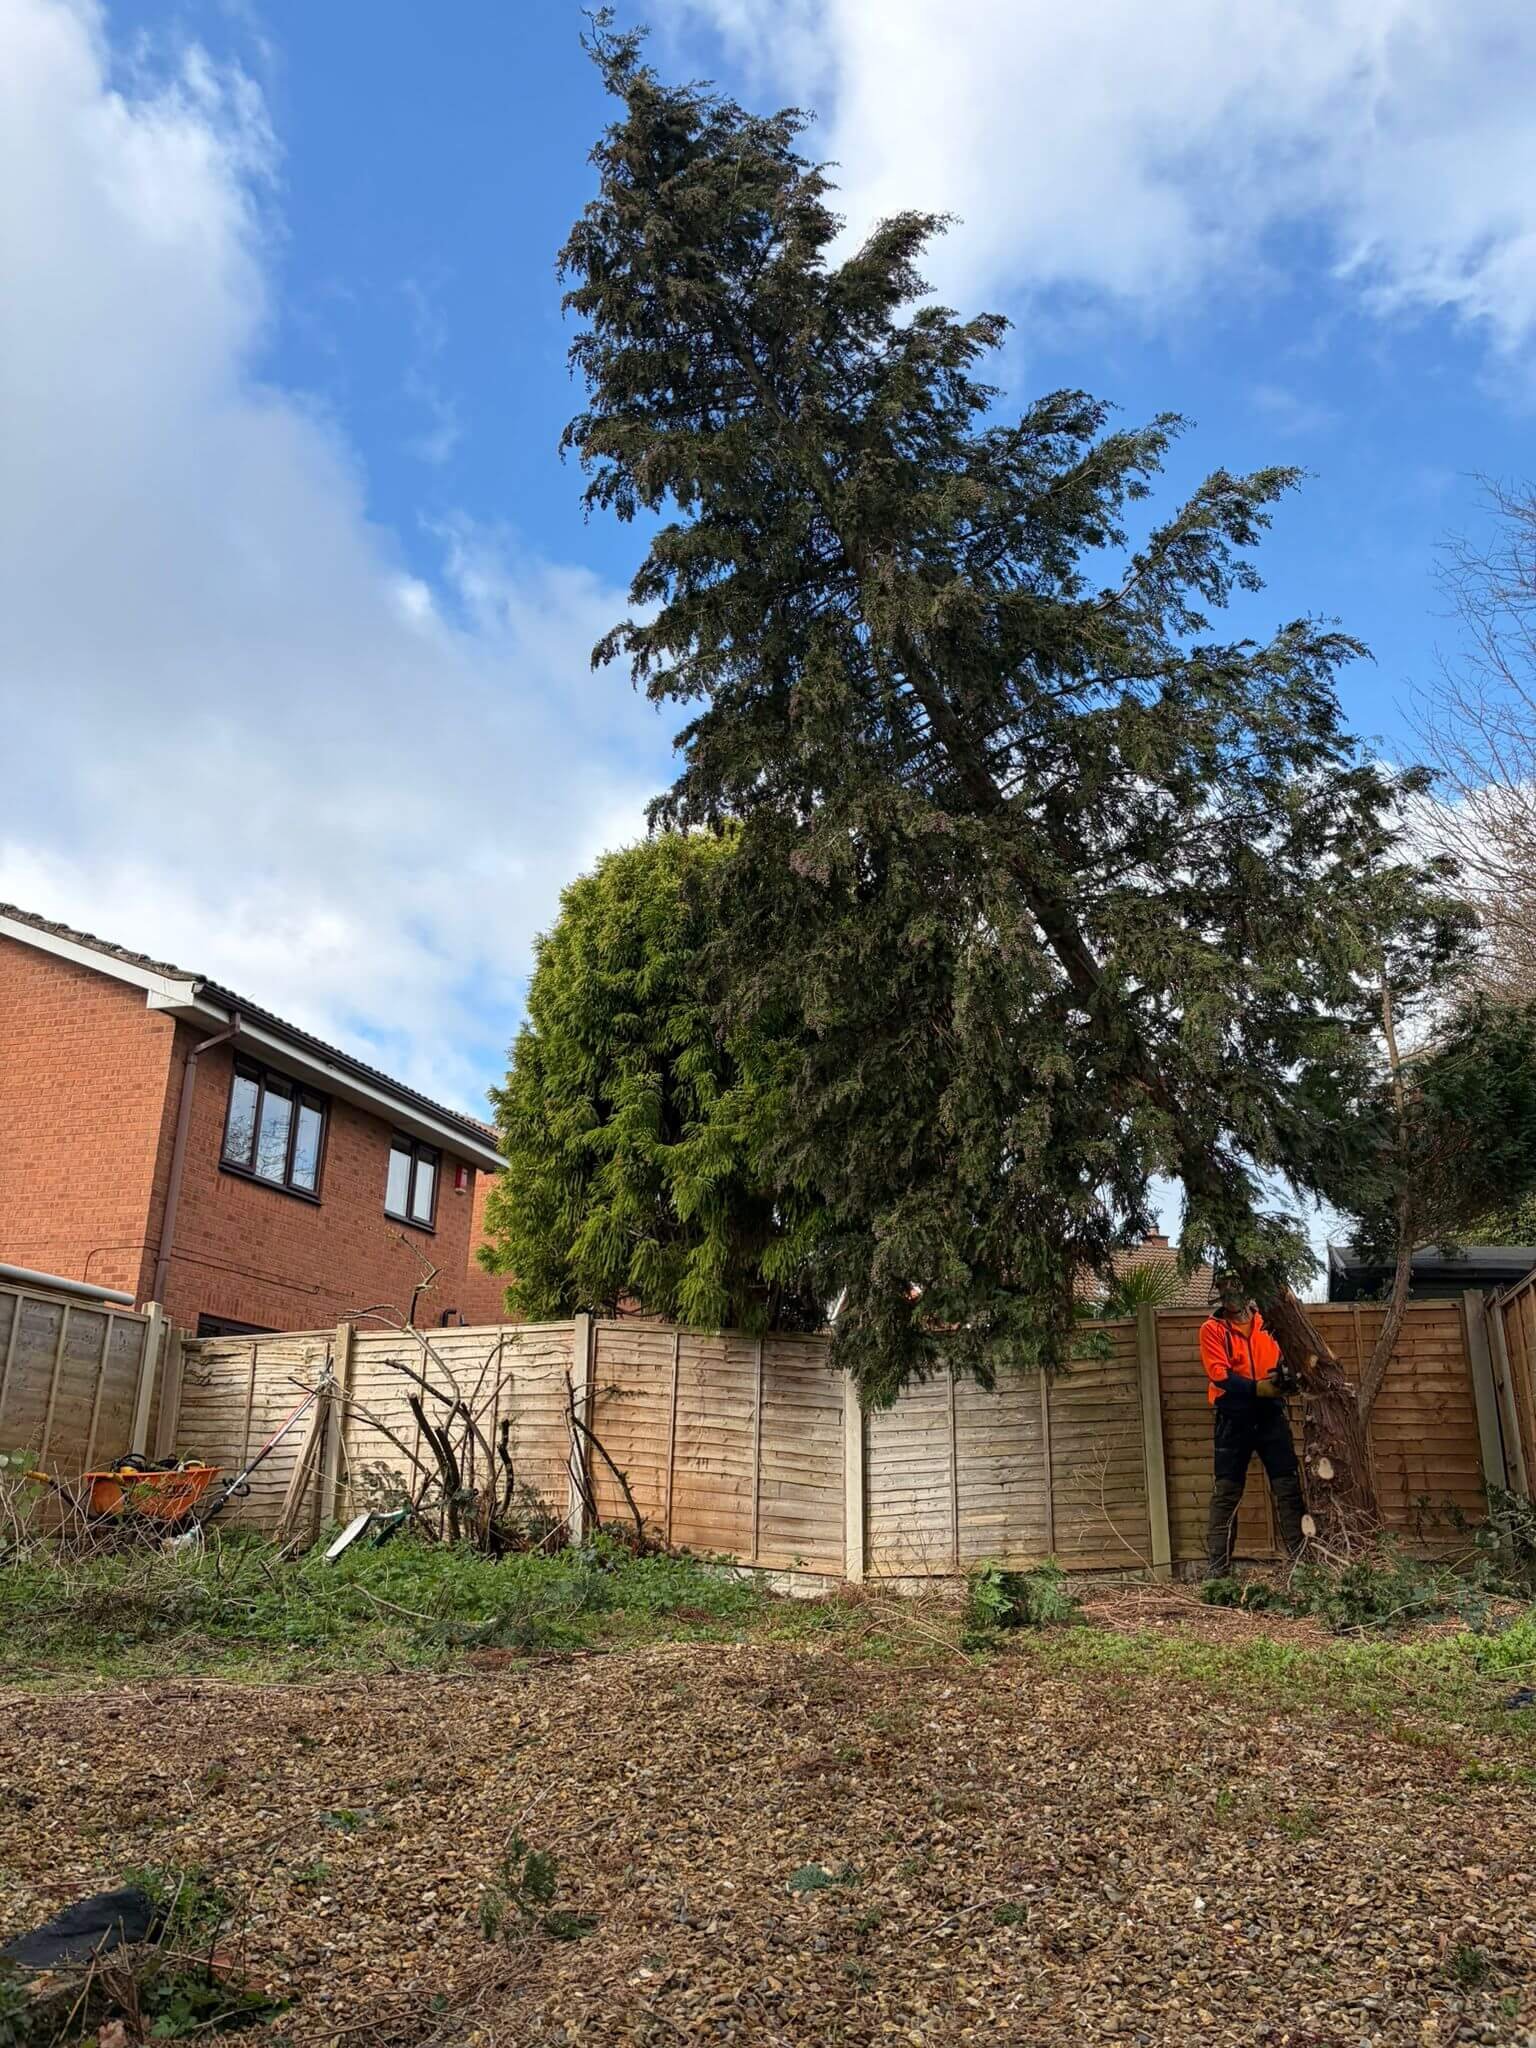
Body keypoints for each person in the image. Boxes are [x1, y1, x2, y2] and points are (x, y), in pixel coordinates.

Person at [1201, 1275, 1306, 1579]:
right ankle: (1218, 1573)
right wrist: (1258, 1388)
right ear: (1219, 1292)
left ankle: (1301, 1564)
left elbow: (1286, 1358)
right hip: (1233, 1415)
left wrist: (1285, 1379)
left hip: (1271, 1413)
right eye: (1225, 1286)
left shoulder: (1266, 1323)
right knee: (1227, 1492)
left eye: (1237, 1284)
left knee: (1287, 1486)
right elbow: (1219, 1375)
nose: (1231, 1291)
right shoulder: (1212, 1329)